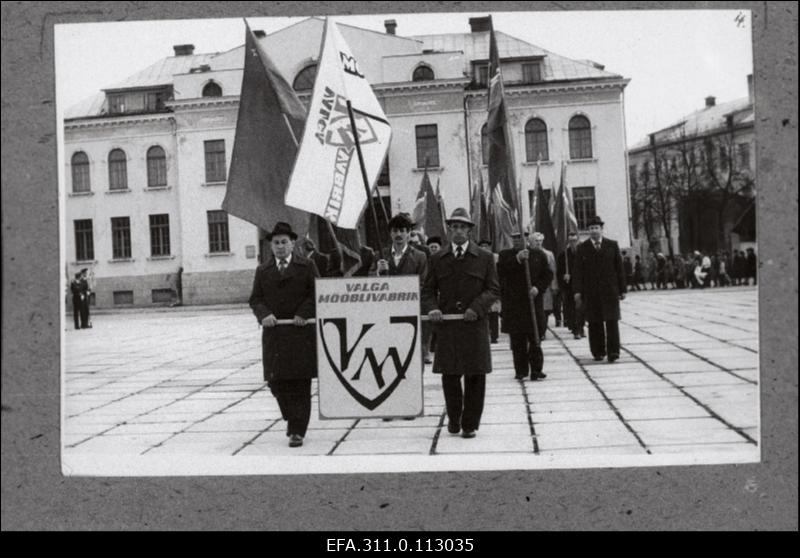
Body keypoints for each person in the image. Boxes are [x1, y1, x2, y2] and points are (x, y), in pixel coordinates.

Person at [422, 208, 500, 439]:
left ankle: (470, 424)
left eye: (462, 227)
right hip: (448, 326)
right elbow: (428, 290)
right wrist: (433, 308)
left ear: (469, 230)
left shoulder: (484, 257)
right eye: (453, 227)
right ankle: (454, 419)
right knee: (450, 375)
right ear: (449, 230)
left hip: (474, 326)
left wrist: (476, 308)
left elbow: (493, 289)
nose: (457, 231)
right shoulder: (438, 258)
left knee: (475, 375)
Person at [249, 222, 319, 448]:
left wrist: (303, 313)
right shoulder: (263, 270)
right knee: (276, 382)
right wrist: (265, 314)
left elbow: (317, 293)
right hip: (275, 335)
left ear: (293, 243)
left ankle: (297, 431)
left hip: (300, 334)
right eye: (276, 243)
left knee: (300, 383)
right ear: (271, 246)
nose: (280, 246)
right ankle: (291, 417)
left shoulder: (306, 266)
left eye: (284, 242)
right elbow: (255, 299)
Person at [375, 212, 430, 363]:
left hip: (410, 312)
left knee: (413, 358)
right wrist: (378, 273)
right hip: (386, 314)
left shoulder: (419, 256)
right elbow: (369, 286)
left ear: (408, 233)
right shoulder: (380, 255)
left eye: (402, 230)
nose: (398, 234)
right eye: (395, 231)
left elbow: (423, 283)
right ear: (390, 233)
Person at [498, 232, 553, 380]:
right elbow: (500, 273)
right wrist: (517, 259)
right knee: (517, 341)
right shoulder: (505, 255)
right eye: (515, 237)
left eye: (520, 237)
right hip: (514, 305)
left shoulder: (538, 255)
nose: (517, 240)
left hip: (533, 304)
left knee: (535, 338)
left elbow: (547, 275)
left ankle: (536, 369)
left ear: (527, 238)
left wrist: (538, 288)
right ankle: (521, 370)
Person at [572, 216, 626, 363]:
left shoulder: (612, 245)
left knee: (612, 322)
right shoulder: (582, 248)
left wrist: (622, 290)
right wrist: (577, 291)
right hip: (591, 292)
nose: (594, 231)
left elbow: (619, 269)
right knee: (595, 323)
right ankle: (598, 351)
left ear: (602, 229)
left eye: (596, 228)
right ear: (588, 231)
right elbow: (577, 271)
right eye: (591, 228)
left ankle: (613, 352)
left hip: (610, 291)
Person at [530, 232, 558, 338]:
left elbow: (552, 271)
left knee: (545, 309)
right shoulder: (529, 253)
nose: (538, 243)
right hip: (533, 287)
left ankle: (543, 331)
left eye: (540, 241)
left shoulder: (548, 254)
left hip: (546, 287)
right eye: (536, 241)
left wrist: (554, 286)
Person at [558, 231, 585, 339]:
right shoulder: (563, 255)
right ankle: (575, 330)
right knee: (572, 309)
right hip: (569, 287)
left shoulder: (583, 253)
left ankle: (581, 327)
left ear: (578, 240)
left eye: (574, 241)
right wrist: (564, 276)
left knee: (582, 308)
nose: (573, 243)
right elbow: (559, 272)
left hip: (582, 285)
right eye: (570, 241)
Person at [478, 239, 501, 344]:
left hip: (493, 286)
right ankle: (484, 335)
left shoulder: (495, 257)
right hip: (481, 288)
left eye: (486, 246)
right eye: (482, 246)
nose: (484, 248)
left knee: (494, 313)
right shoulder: (476, 257)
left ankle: (494, 336)